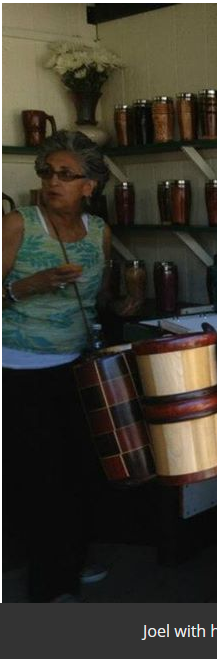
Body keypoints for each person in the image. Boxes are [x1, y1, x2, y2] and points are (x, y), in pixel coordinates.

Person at [2, 130, 111, 602]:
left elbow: (97, 298)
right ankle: (49, 588)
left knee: (82, 471)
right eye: (47, 171)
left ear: (91, 185)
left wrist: (121, 302)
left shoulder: (100, 233)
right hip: (20, 370)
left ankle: (72, 556)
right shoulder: (17, 224)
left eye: (67, 175)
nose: (53, 181)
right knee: (43, 480)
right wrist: (30, 285)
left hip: (78, 366)